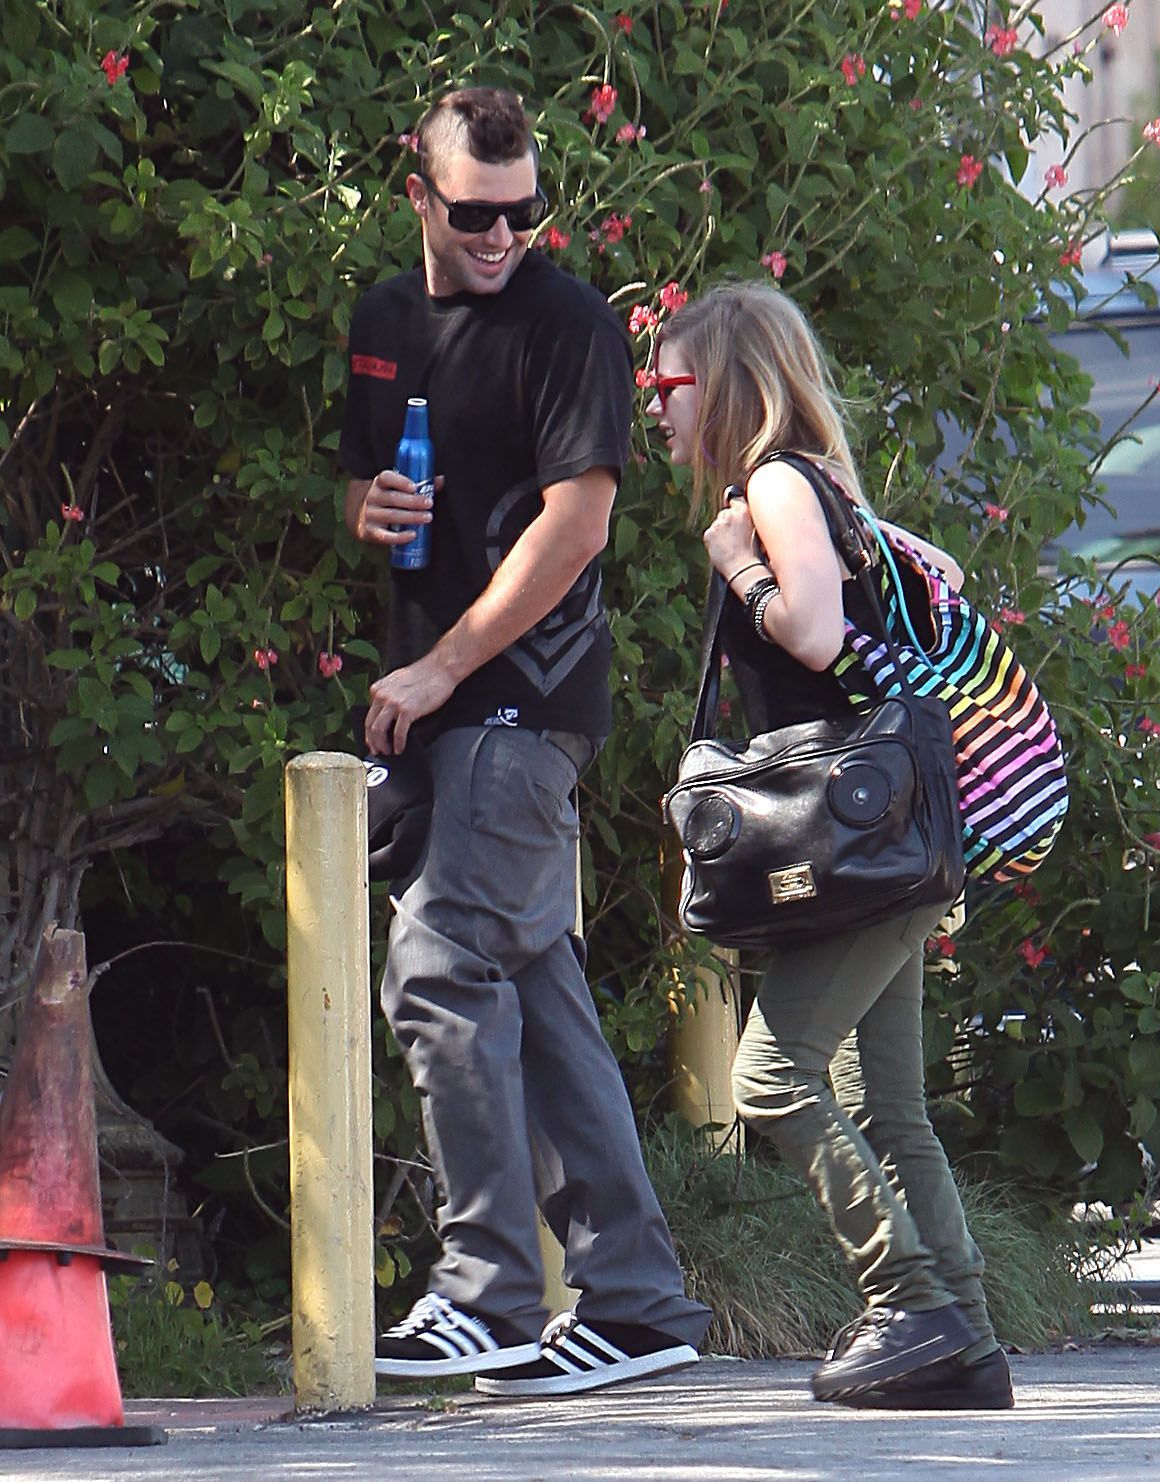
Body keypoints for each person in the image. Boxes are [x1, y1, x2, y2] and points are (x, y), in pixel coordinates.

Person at [338, 86, 710, 1397]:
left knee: (438, 964)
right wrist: (366, 506)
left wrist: (444, 664)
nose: (501, 236)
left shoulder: (569, 324)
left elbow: (576, 527)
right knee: (536, 996)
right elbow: (361, 479)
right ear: (418, 197)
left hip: (521, 701)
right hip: (438, 702)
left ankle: (488, 1291)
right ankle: (637, 1302)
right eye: (474, 214)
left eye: (524, 212)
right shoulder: (386, 321)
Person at [649, 280, 1013, 1411]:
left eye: (668, 383)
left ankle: (909, 1303)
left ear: (724, 382)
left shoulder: (773, 485)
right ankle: (965, 1344)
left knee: (770, 1078)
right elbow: (906, 599)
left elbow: (809, 630)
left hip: (859, 845)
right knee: (888, 1105)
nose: (654, 405)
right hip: (889, 841)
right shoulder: (825, 486)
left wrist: (740, 565)